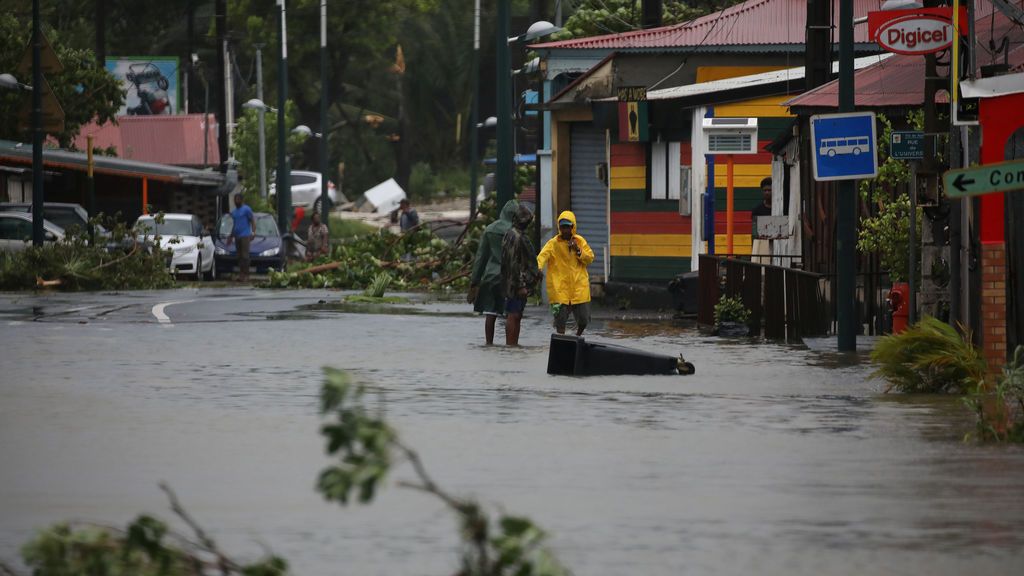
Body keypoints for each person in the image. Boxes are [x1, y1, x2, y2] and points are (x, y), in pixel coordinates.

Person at [468, 199, 518, 345]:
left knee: (490, 313)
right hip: (509, 278)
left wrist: (474, 282)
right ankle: (511, 347)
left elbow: (481, 258)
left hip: (490, 276)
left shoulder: (490, 229)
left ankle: (489, 344)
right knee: (511, 314)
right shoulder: (516, 232)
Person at [537, 210, 594, 336]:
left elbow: (589, 258)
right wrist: (539, 268)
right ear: (559, 227)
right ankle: (561, 339)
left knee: (584, 319)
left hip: (579, 287)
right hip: (560, 288)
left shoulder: (580, 241)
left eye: (567, 227)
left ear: (573, 227)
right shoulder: (553, 243)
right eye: (562, 227)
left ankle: (577, 336)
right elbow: (542, 256)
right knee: (560, 320)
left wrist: (577, 250)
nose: (565, 230)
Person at [501, 203, 540, 346]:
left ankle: (513, 346)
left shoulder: (513, 234)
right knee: (513, 314)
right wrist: (520, 285)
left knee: (516, 315)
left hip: (515, 282)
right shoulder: (515, 236)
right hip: (515, 283)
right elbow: (513, 263)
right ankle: (511, 345)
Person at [227, 193, 256, 281]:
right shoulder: (234, 212)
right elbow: (234, 225)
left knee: (245, 256)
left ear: (242, 200)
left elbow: (252, 221)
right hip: (237, 236)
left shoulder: (246, 209)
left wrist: (253, 232)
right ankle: (241, 274)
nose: (236, 201)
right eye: (235, 200)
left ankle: (246, 275)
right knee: (239, 256)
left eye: (238, 199)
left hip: (245, 235)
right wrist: (230, 236)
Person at [751, 177, 772, 261]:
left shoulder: (779, 209)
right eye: (765, 190)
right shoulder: (757, 210)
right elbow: (754, 232)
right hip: (763, 246)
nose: (767, 193)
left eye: (769, 190)